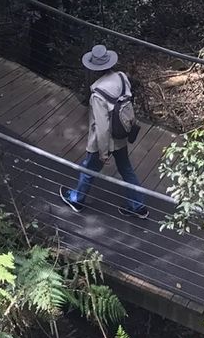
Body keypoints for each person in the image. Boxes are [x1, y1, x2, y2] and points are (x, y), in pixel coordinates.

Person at [60, 43, 149, 218]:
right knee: (126, 168)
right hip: (122, 132)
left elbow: (101, 126)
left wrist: (103, 152)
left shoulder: (98, 93)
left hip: (106, 141)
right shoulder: (122, 78)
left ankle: (77, 199)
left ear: (94, 68)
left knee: (89, 169)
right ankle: (138, 206)